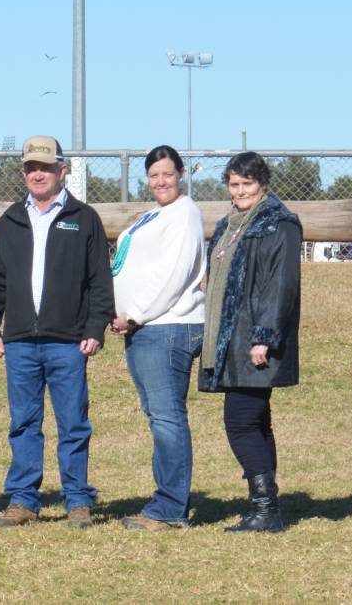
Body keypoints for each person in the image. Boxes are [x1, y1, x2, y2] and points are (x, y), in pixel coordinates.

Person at [0, 135, 113, 529]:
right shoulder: (10, 219)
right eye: (30, 167)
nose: (37, 174)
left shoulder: (83, 218)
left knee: (73, 423)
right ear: (24, 172)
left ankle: (77, 501)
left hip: (68, 341)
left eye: (45, 167)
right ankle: (23, 500)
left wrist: (95, 327)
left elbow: (100, 280)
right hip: (20, 341)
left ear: (62, 170)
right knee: (23, 423)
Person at [199, 151, 301, 533]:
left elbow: (280, 286)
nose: (240, 190)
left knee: (240, 422)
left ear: (263, 184)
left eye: (247, 183)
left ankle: (265, 509)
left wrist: (264, 337)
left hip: (254, 341)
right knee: (256, 422)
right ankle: (265, 506)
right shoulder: (231, 223)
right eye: (234, 184)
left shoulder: (278, 224)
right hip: (231, 340)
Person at [109, 145, 205, 531]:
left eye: (167, 173)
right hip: (145, 329)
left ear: (181, 173)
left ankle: (169, 509)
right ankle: (167, 503)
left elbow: (173, 275)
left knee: (167, 419)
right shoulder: (155, 215)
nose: (160, 181)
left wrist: (135, 313)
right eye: (153, 176)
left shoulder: (184, 215)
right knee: (159, 416)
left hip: (167, 326)